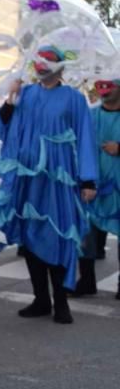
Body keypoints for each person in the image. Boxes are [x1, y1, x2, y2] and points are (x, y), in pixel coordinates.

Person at [0, 46, 98, 324]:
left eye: (48, 61)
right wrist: (9, 101)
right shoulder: (25, 94)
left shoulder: (74, 99)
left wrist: (87, 179)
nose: (41, 65)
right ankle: (41, 299)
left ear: (60, 67)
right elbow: (0, 128)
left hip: (59, 180)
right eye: (38, 60)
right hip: (27, 178)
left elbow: (86, 137)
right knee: (30, 236)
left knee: (59, 235)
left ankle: (61, 302)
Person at [84, 78, 120, 298]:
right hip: (93, 185)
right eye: (101, 86)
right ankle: (86, 281)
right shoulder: (90, 116)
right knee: (85, 234)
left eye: (109, 86)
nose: (104, 91)